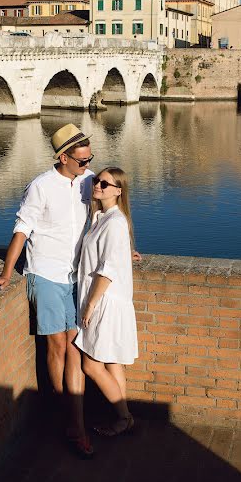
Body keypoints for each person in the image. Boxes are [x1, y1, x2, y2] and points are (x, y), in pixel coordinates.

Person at [0, 123, 96, 458]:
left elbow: (108, 213)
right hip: (44, 273)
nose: (88, 165)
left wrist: (123, 248)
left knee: (75, 346)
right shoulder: (41, 187)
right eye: (82, 161)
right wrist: (5, 273)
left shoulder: (89, 182)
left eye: (90, 159)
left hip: (76, 275)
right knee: (57, 346)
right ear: (63, 158)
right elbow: (22, 229)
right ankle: (66, 416)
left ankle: (75, 419)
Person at [74, 167, 138, 437]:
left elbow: (108, 270)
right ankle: (122, 418)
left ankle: (124, 416)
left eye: (104, 183)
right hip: (107, 300)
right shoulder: (101, 217)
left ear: (118, 191)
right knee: (112, 362)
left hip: (104, 302)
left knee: (90, 365)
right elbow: (111, 256)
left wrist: (89, 305)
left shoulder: (114, 222)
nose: (97, 185)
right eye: (96, 181)